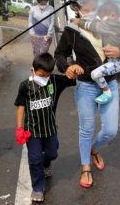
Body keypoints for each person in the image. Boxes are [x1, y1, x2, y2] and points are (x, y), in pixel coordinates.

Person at [54, 0, 120, 188]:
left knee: (111, 130)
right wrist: (67, 67)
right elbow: (60, 54)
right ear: (77, 7)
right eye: (86, 5)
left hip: (110, 82)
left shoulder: (107, 23)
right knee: (86, 129)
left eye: (94, 4)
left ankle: (94, 149)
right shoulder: (71, 29)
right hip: (86, 85)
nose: (91, 8)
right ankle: (85, 166)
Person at [14, 53, 78, 202]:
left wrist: (74, 69)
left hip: (50, 129)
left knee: (52, 153)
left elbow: (73, 79)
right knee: (35, 159)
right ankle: (37, 188)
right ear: (33, 70)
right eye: (41, 75)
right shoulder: (25, 86)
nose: (45, 78)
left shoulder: (55, 81)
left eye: (47, 75)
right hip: (33, 131)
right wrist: (19, 128)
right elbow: (20, 107)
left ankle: (46, 164)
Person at [77, 1, 120, 104]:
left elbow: (90, 26)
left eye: (104, 15)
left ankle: (107, 92)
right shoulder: (119, 25)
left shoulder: (111, 25)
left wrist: (78, 21)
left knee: (95, 74)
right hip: (110, 62)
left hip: (116, 62)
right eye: (101, 16)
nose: (102, 19)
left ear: (113, 15)